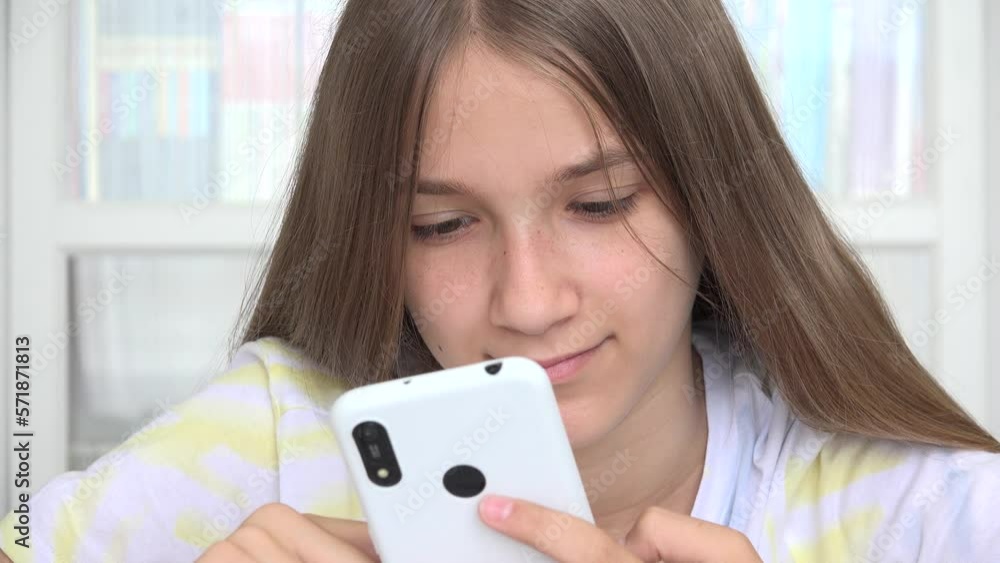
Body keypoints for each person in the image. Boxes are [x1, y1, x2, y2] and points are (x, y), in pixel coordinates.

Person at [3, 0, 999, 561]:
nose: (526, 300)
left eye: (599, 203)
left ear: (711, 200)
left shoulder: (923, 511)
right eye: (440, 225)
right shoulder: (264, 437)